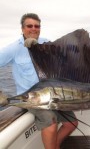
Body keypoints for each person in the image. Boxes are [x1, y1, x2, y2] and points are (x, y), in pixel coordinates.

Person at [0, 13, 78, 149]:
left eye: (37, 26)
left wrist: (39, 50)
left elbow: (62, 59)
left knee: (72, 124)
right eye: (29, 26)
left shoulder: (45, 42)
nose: (33, 29)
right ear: (22, 28)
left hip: (53, 95)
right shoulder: (13, 49)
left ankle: (55, 146)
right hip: (32, 99)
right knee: (51, 124)